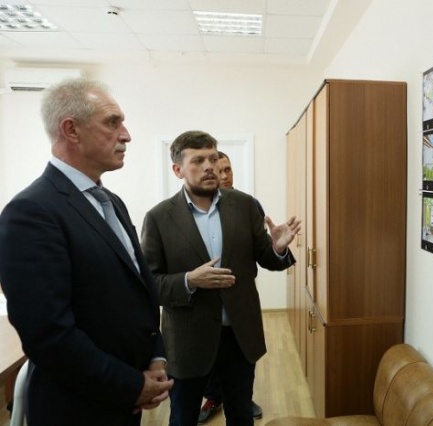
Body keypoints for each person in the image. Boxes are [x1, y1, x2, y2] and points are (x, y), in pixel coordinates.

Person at [0, 78, 173, 426]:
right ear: (71, 130)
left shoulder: (111, 203)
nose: (126, 135)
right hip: (77, 408)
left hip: (124, 399)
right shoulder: (31, 212)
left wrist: (156, 357)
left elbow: (137, 291)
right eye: (112, 122)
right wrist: (130, 385)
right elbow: (48, 334)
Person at [141, 130, 301, 426]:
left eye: (213, 159)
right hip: (188, 341)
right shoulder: (158, 218)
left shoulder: (245, 205)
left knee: (241, 414)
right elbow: (149, 286)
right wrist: (189, 280)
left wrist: (278, 249)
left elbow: (267, 259)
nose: (209, 167)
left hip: (239, 337)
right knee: (183, 417)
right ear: (177, 169)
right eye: (198, 161)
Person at [198, 151, 263, 424]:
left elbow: (261, 249)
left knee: (240, 364)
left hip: (239, 300)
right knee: (210, 362)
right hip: (203, 305)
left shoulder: (248, 205)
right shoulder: (187, 210)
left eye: (228, 169)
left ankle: (241, 398)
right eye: (219, 170)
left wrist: (277, 248)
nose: (224, 175)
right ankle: (214, 397)